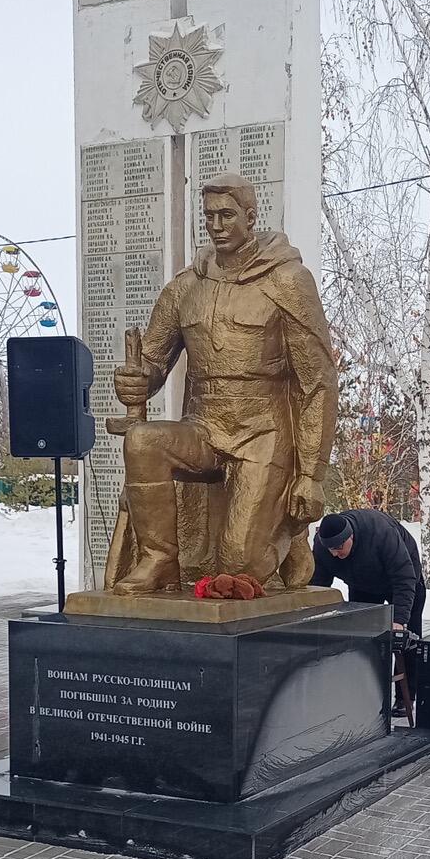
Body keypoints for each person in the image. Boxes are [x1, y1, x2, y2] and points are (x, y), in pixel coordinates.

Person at [107, 172, 337, 594]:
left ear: (251, 217)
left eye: (227, 215)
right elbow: (154, 361)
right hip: (204, 427)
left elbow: (317, 383)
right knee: (141, 441)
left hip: (263, 434)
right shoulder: (186, 287)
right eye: (209, 216)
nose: (216, 225)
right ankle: (158, 558)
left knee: (237, 569)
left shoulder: (287, 282)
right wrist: (139, 381)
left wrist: (311, 475)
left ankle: (290, 534)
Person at [313, 509, 427, 716]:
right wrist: (315, 615)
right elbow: (319, 584)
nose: (334, 554)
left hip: (404, 583)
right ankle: (367, 694)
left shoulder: (381, 533)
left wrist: (399, 621)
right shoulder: (323, 548)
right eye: (330, 549)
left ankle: (405, 698)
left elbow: (404, 578)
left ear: (352, 537)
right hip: (363, 584)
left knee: (405, 642)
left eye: (339, 548)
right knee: (364, 639)